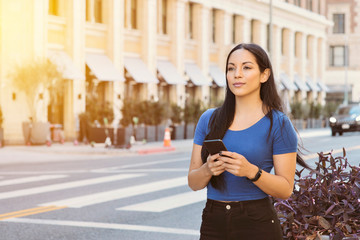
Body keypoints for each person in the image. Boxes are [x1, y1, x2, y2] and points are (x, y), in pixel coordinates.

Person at [188, 43, 309, 240]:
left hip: (257, 222)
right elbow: (193, 182)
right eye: (231, 68)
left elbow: (285, 189)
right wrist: (208, 169)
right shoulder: (209, 119)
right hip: (213, 221)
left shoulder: (278, 123)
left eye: (246, 67)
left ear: (264, 75)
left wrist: (251, 171)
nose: (237, 74)